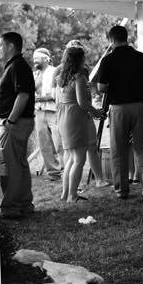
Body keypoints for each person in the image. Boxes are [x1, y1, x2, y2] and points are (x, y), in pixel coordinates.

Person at [95, 25, 143, 199]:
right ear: (127, 37)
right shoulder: (142, 57)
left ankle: (122, 190)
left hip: (118, 108)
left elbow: (101, 87)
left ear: (111, 40)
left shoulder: (108, 60)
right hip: (141, 105)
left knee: (119, 149)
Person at [55, 44, 103, 202]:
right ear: (79, 60)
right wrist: (96, 112)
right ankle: (72, 195)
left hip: (64, 117)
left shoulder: (61, 78)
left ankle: (65, 194)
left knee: (71, 157)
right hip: (75, 118)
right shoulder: (79, 77)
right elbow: (82, 102)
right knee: (79, 159)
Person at [0, 32, 36, 219]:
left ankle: (11, 206)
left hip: (16, 122)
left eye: (0, 45)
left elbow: (23, 95)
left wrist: (10, 120)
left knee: (10, 165)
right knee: (19, 163)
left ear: (10, 46)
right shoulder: (15, 66)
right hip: (19, 121)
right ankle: (25, 203)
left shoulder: (18, 66)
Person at [32, 47, 62, 179]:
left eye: (37, 58)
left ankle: (67, 169)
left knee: (59, 142)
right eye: (33, 59)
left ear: (45, 59)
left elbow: (59, 92)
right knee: (45, 144)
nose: (34, 61)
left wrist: (44, 97)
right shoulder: (35, 74)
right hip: (39, 111)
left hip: (53, 111)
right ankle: (54, 173)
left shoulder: (54, 71)